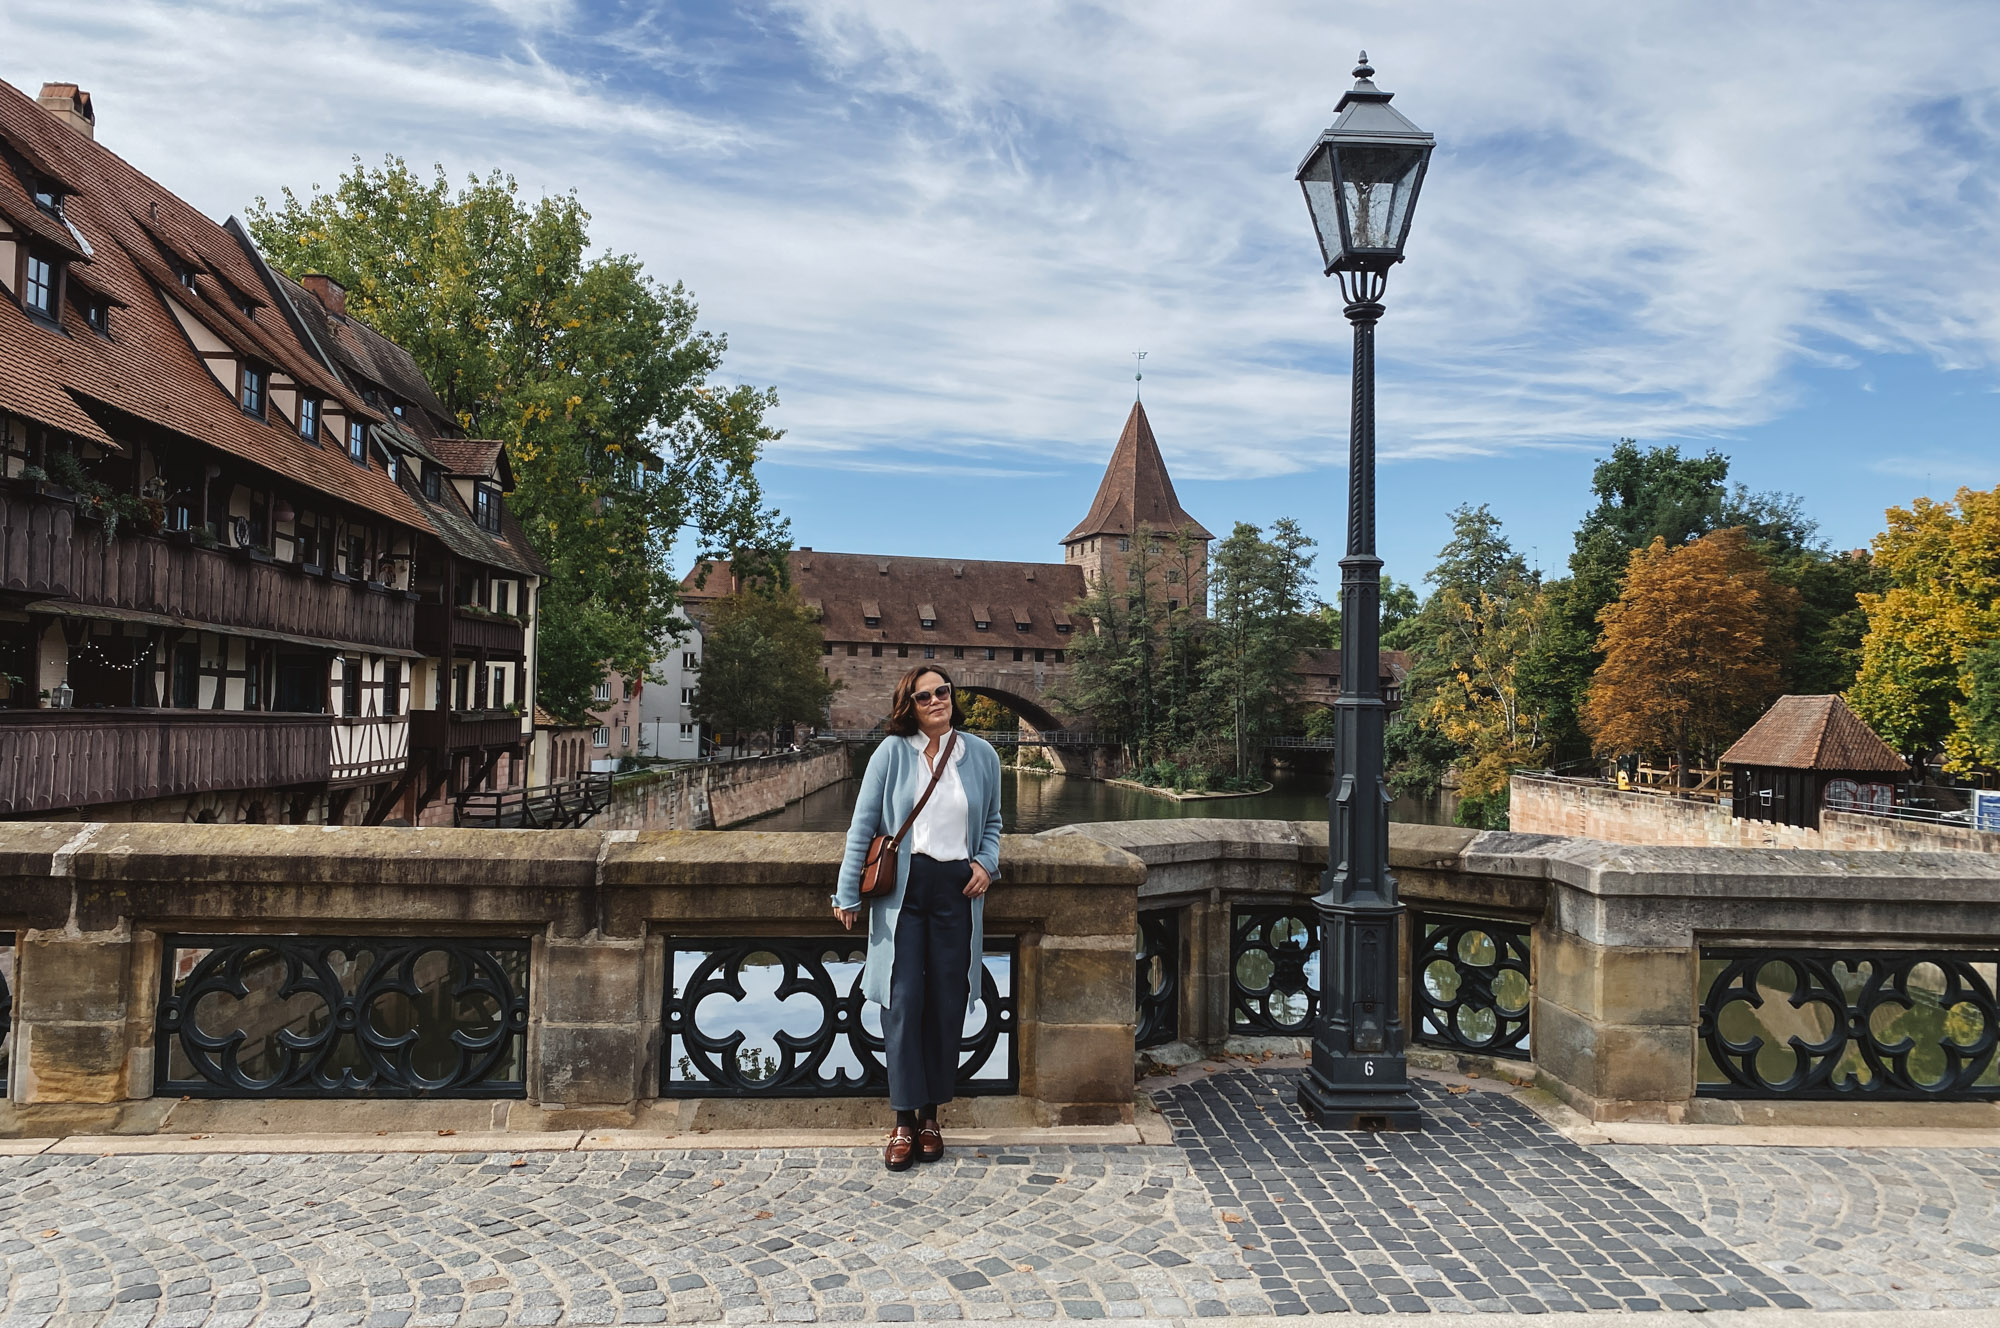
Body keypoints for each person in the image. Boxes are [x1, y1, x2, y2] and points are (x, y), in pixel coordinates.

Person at [833, 666, 1003, 1171]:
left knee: (947, 1003)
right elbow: (863, 824)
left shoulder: (982, 755)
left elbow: (992, 823)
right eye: (924, 695)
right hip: (902, 892)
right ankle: (904, 1120)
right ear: (908, 704)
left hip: (956, 889)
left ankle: (932, 1116)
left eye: (943, 692)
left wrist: (986, 863)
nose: (936, 701)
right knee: (903, 1001)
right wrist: (847, 892)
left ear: (953, 697)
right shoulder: (890, 753)